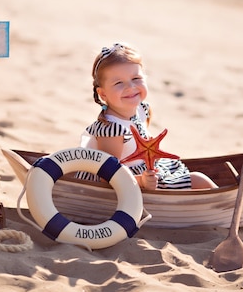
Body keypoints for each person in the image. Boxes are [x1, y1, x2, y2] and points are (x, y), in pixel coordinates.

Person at [77, 42, 218, 190]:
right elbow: (107, 177)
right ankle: (227, 207)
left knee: (195, 178)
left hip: (148, 170)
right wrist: (141, 181)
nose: (130, 87)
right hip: (129, 184)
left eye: (136, 78)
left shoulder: (141, 109)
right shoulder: (111, 129)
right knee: (199, 181)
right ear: (103, 94)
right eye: (119, 82)